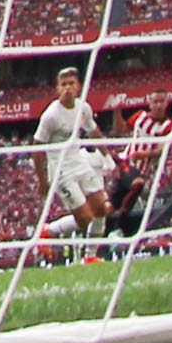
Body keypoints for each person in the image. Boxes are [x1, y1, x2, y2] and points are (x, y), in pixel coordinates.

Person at [32, 67, 111, 251]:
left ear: (78, 87)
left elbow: (94, 131)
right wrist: (42, 181)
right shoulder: (51, 116)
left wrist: (107, 156)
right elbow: (37, 150)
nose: (67, 88)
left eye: (71, 84)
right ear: (57, 89)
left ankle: (91, 256)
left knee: (101, 208)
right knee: (84, 219)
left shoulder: (83, 108)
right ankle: (48, 231)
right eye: (63, 84)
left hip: (79, 162)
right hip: (61, 171)